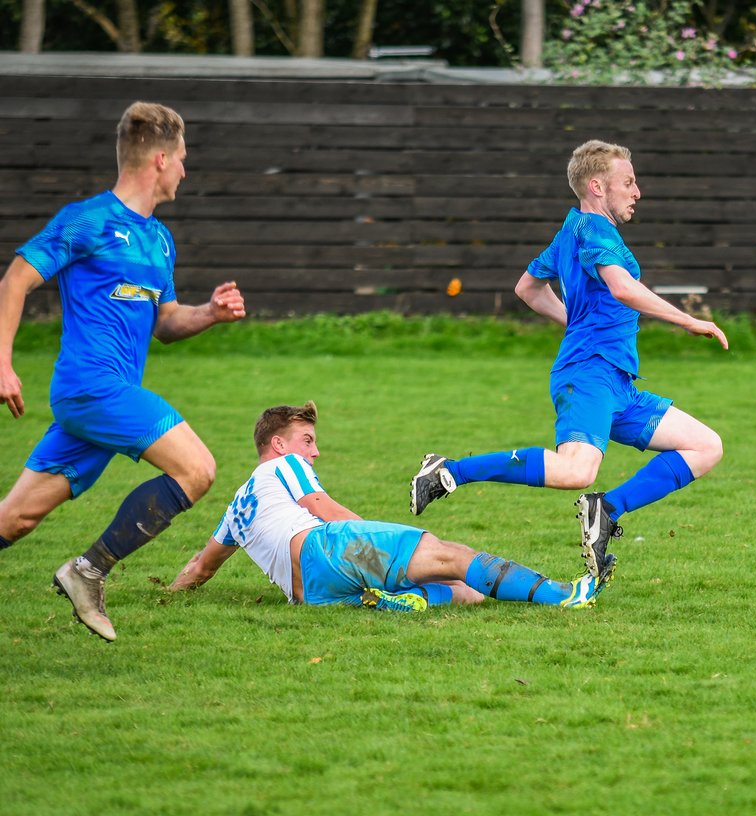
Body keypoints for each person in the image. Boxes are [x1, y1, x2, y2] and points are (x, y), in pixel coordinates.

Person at [410, 139, 726, 580]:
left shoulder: (571, 229)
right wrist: (688, 320)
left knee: (705, 445)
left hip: (616, 383)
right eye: (628, 183)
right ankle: (448, 471)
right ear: (597, 186)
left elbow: (527, 289)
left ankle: (607, 509)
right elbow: (622, 288)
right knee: (576, 470)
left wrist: (575, 322)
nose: (637, 192)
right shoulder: (595, 232)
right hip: (590, 376)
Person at [0, 101, 246, 642]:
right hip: (91, 388)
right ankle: (87, 573)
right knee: (198, 469)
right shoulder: (85, 221)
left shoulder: (159, 239)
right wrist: (3, 363)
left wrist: (208, 313)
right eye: (182, 158)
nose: (186, 169)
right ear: (160, 159)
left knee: (13, 520)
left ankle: (84, 572)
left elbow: (164, 322)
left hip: (106, 400)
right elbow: (15, 280)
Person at [170, 401, 612, 611]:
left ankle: (391, 599)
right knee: (450, 554)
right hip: (325, 550)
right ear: (278, 443)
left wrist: (167, 598)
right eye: (308, 440)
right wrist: (380, 535)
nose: (314, 452)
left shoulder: (237, 506)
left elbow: (201, 568)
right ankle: (564, 595)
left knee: (469, 594)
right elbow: (323, 508)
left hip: (311, 595)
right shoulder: (283, 465)